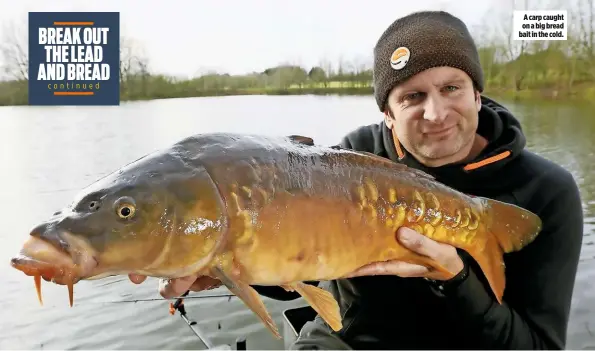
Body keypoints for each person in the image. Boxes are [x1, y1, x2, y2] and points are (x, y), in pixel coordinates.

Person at [128, 10, 584, 350]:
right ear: (387, 113)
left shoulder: (545, 191)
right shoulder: (351, 161)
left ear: (477, 93)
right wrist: (224, 266)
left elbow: (537, 346)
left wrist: (454, 277)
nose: (436, 113)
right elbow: (310, 260)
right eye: (412, 97)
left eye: (451, 88)